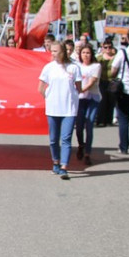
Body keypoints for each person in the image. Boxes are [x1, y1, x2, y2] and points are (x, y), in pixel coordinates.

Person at [39, 41, 81, 179]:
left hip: (69, 108)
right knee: (53, 139)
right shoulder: (49, 67)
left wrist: (73, 97)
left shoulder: (74, 67)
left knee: (66, 138)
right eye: (51, 51)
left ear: (63, 51)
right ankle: (55, 162)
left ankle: (64, 166)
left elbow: (78, 87)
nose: (53, 53)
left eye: (55, 51)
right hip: (53, 108)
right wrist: (49, 97)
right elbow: (40, 88)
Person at [74, 43, 101, 165]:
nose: (86, 55)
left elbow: (91, 82)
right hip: (80, 99)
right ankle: (81, 145)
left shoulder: (96, 66)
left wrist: (81, 90)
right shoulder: (77, 66)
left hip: (93, 98)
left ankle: (87, 153)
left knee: (89, 124)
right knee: (79, 126)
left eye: (88, 53)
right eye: (83, 53)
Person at [95, 40, 117, 127]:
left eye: (110, 47)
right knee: (102, 100)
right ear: (103, 48)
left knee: (111, 101)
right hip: (102, 80)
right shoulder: (99, 58)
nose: (108, 49)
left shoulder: (115, 57)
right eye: (106, 47)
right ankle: (101, 120)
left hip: (112, 81)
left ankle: (109, 120)